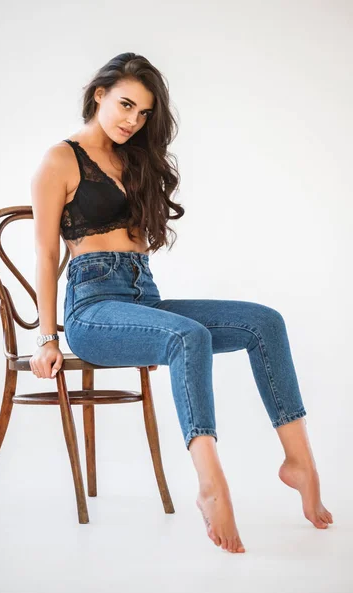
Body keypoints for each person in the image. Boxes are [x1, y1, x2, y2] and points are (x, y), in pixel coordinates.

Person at [29, 52, 333, 553]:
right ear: (99, 93)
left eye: (144, 113)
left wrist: (143, 320)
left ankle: (299, 462)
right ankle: (211, 484)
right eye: (126, 105)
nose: (133, 120)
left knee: (265, 323)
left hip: (142, 299)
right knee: (187, 335)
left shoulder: (134, 158)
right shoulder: (59, 159)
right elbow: (43, 254)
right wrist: (44, 338)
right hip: (91, 310)